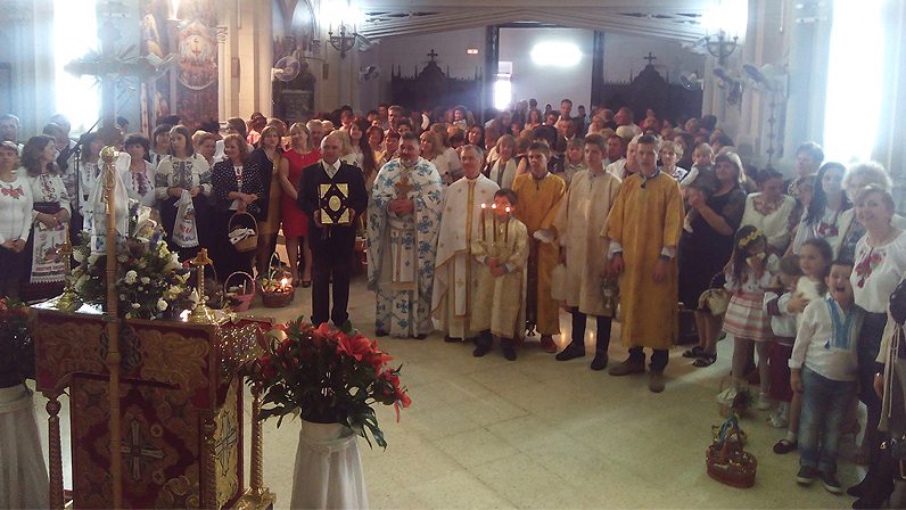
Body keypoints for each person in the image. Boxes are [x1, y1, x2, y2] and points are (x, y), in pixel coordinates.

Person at [605, 134, 684, 392]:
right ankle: (635, 358)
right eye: (641, 153)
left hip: (656, 262)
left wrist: (664, 258)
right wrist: (616, 252)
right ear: (635, 154)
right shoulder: (629, 184)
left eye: (650, 153)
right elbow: (616, 220)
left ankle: (658, 366)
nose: (645, 158)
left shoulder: (669, 186)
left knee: (657, 311)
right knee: (633, 307)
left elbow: (674, 224)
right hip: (631, 261)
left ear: (658, 155)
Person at [849, 186, 906, 506]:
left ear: (889, 210)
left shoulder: (902, 243)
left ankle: (881, 485)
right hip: (863, 326)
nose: (865, 210)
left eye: (873, 204)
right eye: (860, 204)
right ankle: (873, 476)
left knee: (886, 410)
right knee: (871, 405)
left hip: (890, 333)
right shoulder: (863, 243)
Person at [790, 259, 862, 494]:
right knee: (810, 421)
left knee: (834, 425)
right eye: (835, 275)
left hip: (846, 382)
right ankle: (807, 462)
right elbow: (801, 341)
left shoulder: (861, 313)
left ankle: (827, 466)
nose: (841, 281)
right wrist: (795, 370)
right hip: (815, 374)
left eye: (847, 277)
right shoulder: (816, 307)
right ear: (827, 280)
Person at [553, 134, 621, 370]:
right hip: (576, 247)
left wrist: (613, 253)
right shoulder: (578, 178)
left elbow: (617, 221)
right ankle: (577, 343)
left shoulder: (614, 184)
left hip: (599, 250)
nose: (590, 156)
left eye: (595, 152)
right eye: (587, 151)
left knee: (602, 300)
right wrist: (563, 245)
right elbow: (566, 213)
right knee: (576, 297)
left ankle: (601, 350)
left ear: (604, 154)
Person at [367, 132, 443, 339]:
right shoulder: (388, 169)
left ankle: (419, 326)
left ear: (419, 149)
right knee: (387, 276)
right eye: (403, 147)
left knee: (417, 279)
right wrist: (388, 204)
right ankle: (385, 323)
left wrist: (414, 205)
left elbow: (436, 199)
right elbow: (375, 196)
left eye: (411, 148)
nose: (406, 152)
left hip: (417, 236)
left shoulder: (429, 171)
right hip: (391, 235)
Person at [678, 152, 746, 367]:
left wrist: (701, 207)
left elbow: (726, 228)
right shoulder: (710, 189)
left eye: (727, 166)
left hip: (716, 253)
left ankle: (711, 349)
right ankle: (701, 343)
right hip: (695, 250)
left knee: (712, 302)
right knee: (696, 301)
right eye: (719, 166)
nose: (721, 170)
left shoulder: (737, 195)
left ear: (736, 170)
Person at [298, 131, 368, 332]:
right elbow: (301, 199)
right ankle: (319, 319)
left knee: (342, 274)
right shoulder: (309, 172)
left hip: (344, 232)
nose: (330, 151)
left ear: (341, 149)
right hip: (319, 232)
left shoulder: (353, 173)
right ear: (320, 150)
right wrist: (313, 212)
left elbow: (362, 198)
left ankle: (340, 317)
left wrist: (353, 211)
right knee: (319, 274)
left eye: (334, 147)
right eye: (326, 147)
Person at [432, 145, 499, 343]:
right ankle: (456, 330)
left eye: (472, 158)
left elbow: (496, 222)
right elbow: (447, 221)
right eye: (464, 158)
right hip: (456, 250)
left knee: (480, 291)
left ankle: (480, 332)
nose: (467, 162)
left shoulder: (492, 188)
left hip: (481, 252)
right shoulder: (453, 189)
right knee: (457, 288)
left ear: (481, 161)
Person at [773, 237, 832, 456]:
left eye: (812, 257)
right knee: (798, 390)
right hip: (802, 342)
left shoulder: (829, 285)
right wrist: (792, 305)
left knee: (818, 394)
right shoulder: (801, 282)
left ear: (826, 260)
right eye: (803, 257)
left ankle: (817, 437)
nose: (806, 262)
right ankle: (792, 434)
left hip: (822, 347)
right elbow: (792, 309)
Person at [512, 141, 566, 353]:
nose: (534, 161)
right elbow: (514, 209)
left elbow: (559, 210)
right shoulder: (519, 182)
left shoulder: (558, 184)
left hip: (546, 243)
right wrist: (524, 233)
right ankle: (517, 330)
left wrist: (541, 233)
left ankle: (547, 333)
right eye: (531, 157)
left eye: (538, 157)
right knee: (521, 285)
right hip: (523, 241)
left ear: (548, 158)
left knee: (546, 287)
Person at [471, 188, 529, 360]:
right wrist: (486, 259)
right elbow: (477, 243)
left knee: (506, 305)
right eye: (497, 202)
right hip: (488, 273)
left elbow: (522, 251)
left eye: (505, 203)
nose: (499, 206)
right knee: (485, 302)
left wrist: (506, 267)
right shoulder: (486, 224)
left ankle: (506, 343)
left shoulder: (519, 227)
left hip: (508, 276)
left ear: (513, 207)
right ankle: (484, 340)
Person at [723, 227, 777, 408]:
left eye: (761, 245)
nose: (758, 250)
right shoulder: (739, 263)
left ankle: (764, 392)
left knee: (763, 352)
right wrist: (731, 270)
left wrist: (760, 270)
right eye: (753, 248)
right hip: (742, 305)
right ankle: (735, 387)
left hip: (761, 307)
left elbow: (772, 285)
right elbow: (732, 286)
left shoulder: (771, 260)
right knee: (739, 350)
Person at [20, 135, 70, 302]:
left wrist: (64, 210)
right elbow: (21, 201)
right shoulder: (24, 173)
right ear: (38, 150)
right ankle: (34, 301)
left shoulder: (54, 173)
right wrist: (40, 216)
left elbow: (63, 196)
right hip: (34, 226)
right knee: (33, 263)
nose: (54, 151)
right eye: (50, 147)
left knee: (56, 261)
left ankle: (54, 299)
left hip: (56, 224)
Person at [154, 125, 212, 260]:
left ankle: (199, 270)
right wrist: (171, 191)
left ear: (187, 139)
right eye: (172, 139)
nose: (175, 142)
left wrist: (199, 189)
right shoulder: (165, 163)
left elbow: (210, 185)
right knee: (174, 246)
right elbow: (157, 190)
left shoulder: (199, 160)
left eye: (179, 138)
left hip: (197, 208)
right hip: (172, 210)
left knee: (199, 243)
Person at [211, 133, 264, 277]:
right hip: (226, 212)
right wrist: (240, 196)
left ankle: (245, 279)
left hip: (247, 213)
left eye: (232, 147)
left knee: (246, 249)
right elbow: (219, 191)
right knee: (228, 248)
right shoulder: (220, 167)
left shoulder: (251, 166)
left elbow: (260, 190)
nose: (228, 150)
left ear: (241, 148)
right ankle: (228, 279)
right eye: (226, 147)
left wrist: (250, 199)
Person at [763, 255, 804, 428]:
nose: (779, 276)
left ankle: (786, 414)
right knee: (779, 377)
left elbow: (769, 307)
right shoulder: (792, 295)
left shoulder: (790, 298)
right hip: (783, 343)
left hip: (785, 346)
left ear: (792, 277)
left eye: (781, 273)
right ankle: (782, 409)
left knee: (783, 379)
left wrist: (771, 288)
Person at [279, 123, 320, 286]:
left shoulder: (317, 155)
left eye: (299, 133)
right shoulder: (287, 156)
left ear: (306, 134)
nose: (296, 136)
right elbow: (283, 178)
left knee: (309, 237)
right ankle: (294, 273)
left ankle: (308, 271)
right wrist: (298, 197)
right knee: (292, 237)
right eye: (293, 134)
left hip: (311, 202)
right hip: (292, 201)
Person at [0, 141, 33, 298]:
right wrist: (2, 241)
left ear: (16, 158)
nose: (5, 158)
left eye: (9, 154)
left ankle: (13, 313)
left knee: (13, 285)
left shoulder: (23, 182)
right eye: (1, 154)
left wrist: (23, 238)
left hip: (17, 244)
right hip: (1, 243)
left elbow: (28, 212)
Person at [250, 125, 283, 276]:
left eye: (275, 136)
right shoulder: (257, 155)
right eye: (269, 136)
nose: (272, 139)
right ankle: (260, 271)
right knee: (264, 239)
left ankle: (268, 269)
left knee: (274, 236)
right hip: (263, 200)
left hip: (278, 199)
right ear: (263, 139)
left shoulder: (281, 154)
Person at [741, 168, 796, 255]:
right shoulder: (750, 199)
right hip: (746, 250)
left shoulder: (789, 202)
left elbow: (783, 235)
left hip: (773, 254)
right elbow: (744, 226)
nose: (778, 191)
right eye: (772, 188)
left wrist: (759, 249)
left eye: (781, 187)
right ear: (760, 186)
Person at [120, 133, 156, 208]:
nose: (134, 149)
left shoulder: (152, 169)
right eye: (130, 147)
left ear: (145, 150)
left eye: (137, 146)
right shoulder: (121, 169)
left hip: (152, 211)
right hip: (126, 211)